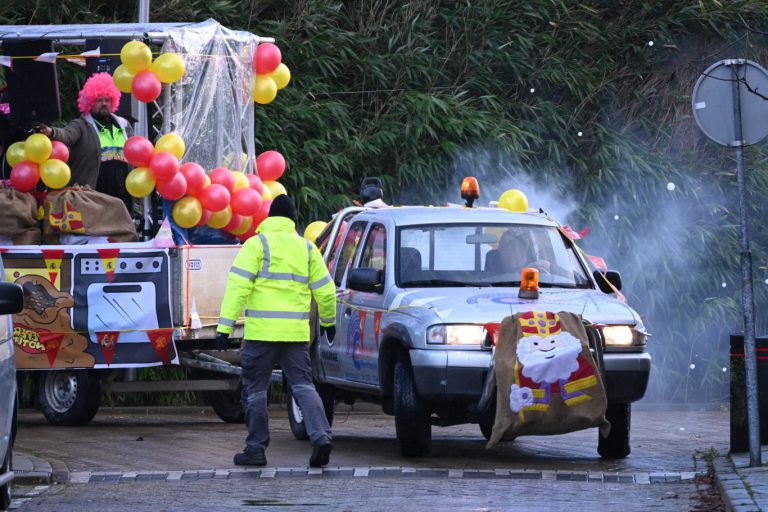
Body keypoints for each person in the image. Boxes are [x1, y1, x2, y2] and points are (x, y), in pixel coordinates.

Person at [216, 194, 337, 468]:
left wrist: (224, 327)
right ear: (293, 221)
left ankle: (256, 449)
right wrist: (328, 324)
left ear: (269, 218)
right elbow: (327, 291)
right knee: (304, 386)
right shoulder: (306, 249)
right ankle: (321, 437)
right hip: (294, 336)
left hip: (261, 335)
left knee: (256, 390)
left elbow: (238, 288)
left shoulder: (256, 245)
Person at [36, 72, 133, 213]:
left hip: (122, 192)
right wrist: (51, 132)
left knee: (122, 232)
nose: (104, 104)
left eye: (107, 100)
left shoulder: (123, 125)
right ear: (90, 102)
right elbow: (67, 135)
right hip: (94, 193)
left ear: (113, 101)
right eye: (99, 100)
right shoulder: (81, 124)